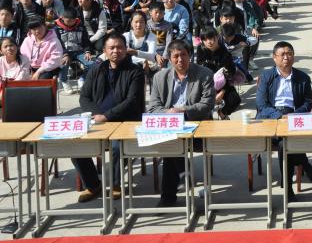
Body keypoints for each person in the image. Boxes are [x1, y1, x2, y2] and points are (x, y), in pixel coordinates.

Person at [72, 33, 144, 203]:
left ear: (126, 49)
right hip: (98, 121)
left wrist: (106, 116)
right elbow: (84, 97)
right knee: (74, 145)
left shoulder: (135, 71)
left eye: (120, 47)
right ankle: (93, 185)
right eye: (111, 48)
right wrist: (97, 115)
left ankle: (116, 184)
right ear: (104, 50)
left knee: (117, 147)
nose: (116, 51)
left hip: (125, 121)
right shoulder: (96, 70)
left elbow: (132, 101)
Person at [255, 41, 312, 194]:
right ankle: (307, 168)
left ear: (293, 56)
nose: (286, 57)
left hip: (293, 116)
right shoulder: (266, 76)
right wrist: (279, 116)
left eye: (289, 54)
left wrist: (292, 116)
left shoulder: (302, 77)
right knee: (287, 141)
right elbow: (261, 104)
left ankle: (287, 188)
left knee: (285, 143)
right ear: (274, 57)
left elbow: (308, 103)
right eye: (282, 54)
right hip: (270, 117)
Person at [148, 40, 214, 207]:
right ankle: (181, 177)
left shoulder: (204, 74)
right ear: (169, 58)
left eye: (183, 55)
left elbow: (207, 105)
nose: (180, 60)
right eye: (175, 56)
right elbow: (153, 107)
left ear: (189, 55)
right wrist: (170, 114)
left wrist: (182, 110)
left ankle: (170, 193)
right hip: (170, 125)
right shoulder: (159, 77)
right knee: (172, 141)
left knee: (172, 144)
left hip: (197, 125)